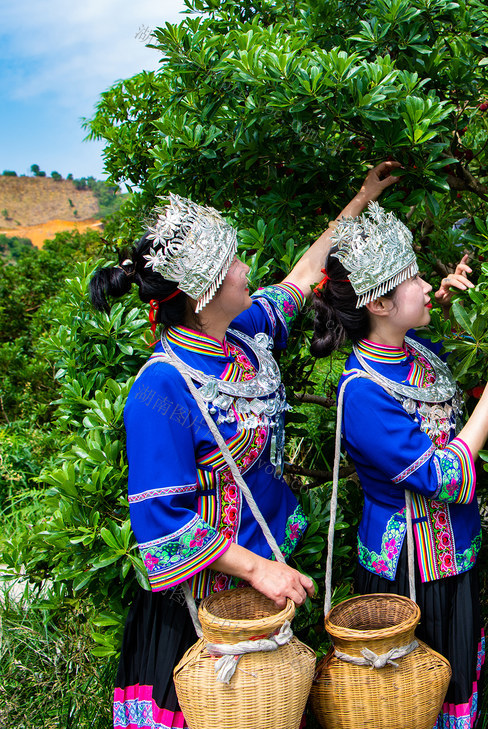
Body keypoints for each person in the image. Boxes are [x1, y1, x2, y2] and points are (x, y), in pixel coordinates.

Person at [90, 162, 400, 729]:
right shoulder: (160, 388)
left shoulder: (246, 337)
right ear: (201, 293)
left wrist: (359, 199)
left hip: (265, 591)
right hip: (204, 614)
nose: (246, 268)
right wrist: (259, 571)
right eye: (233, 263)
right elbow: (161, 524)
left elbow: (304, 276)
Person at [310, 201, 488, 729]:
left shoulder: (416, 352)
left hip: (455, 553)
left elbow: (448, 356)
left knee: (451, 684)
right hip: (408, 570)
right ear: (378, 303)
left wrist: (443, 304)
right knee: (403, 699)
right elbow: (443, 476)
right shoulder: (362, 393)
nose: (428, 285)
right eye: (415, 281)